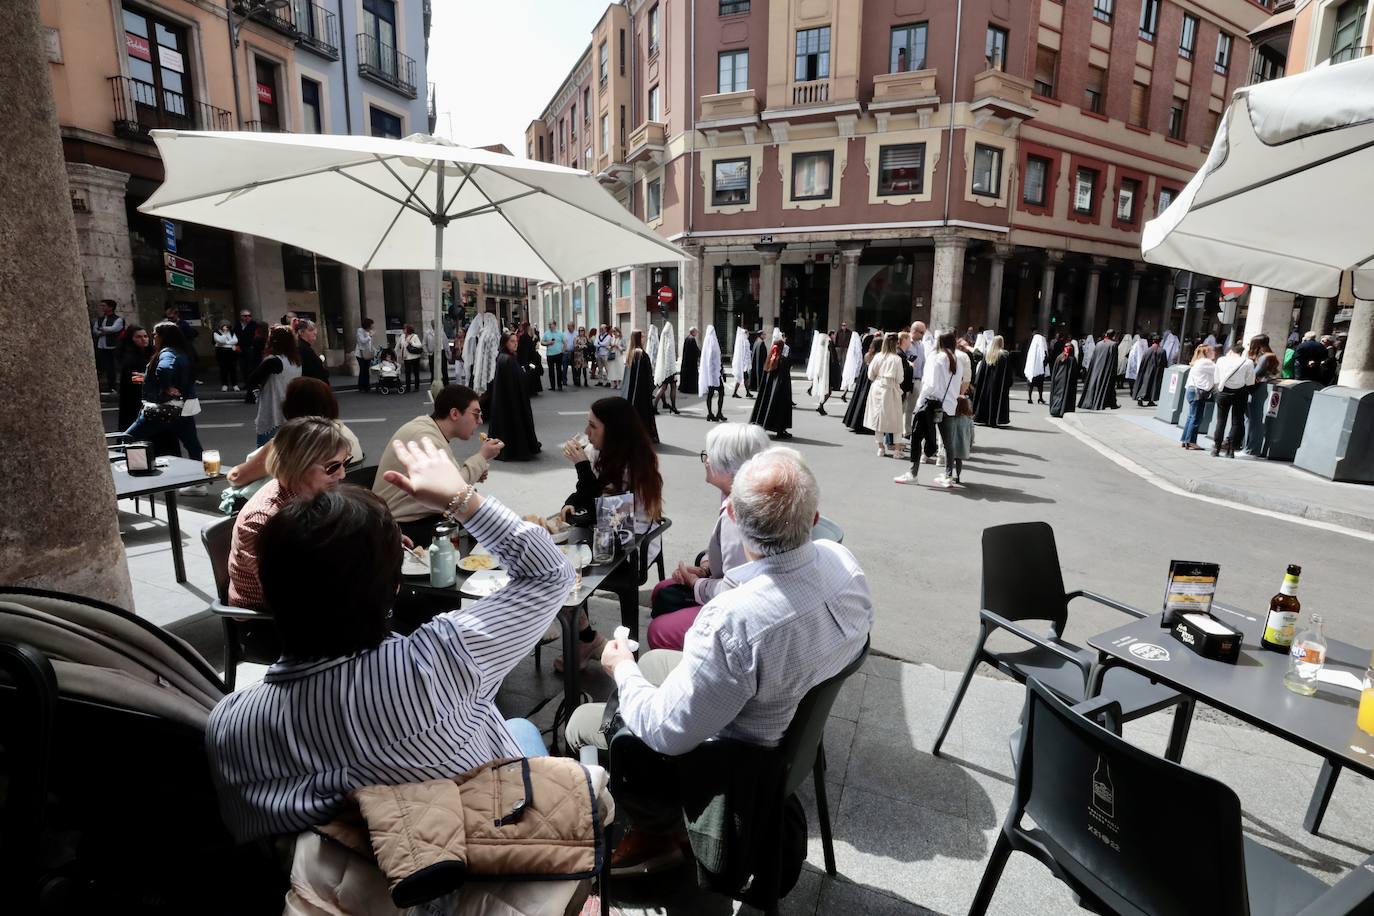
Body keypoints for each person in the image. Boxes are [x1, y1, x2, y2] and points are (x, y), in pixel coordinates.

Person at [208, 441, 571, 842]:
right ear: (395, 586)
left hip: (344, 894)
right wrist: (461, 498)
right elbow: (551, 575)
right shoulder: (440, 663)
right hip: (490, 858)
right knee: (520, 727)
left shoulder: (228, 726)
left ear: (270, 591)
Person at [564, 446, 872, 875]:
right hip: (789, 729)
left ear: (737, 525)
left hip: (736, 758)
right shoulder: (845, 565)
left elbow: (664, 732)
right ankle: (662, 825)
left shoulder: (735, 620)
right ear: (815, 519)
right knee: (656, 665)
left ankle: (654, 831)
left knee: (580, 723)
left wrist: (618, 668)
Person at [647, 423, 770, 652]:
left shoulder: (737, 513)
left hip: (739, 612)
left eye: (708, 455)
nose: (705, 461)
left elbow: (735, 591)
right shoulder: (736, 494)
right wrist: (704, 567)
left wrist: (697, 583)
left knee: (659, 630)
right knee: (662, 591)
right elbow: (729, 555)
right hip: (733, 589)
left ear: (729, 463)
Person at [560, 397, 664, 653]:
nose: (586, 432)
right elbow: (586, 494)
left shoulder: (634, 464)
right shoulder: (599, 452)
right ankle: (585, 636)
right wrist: (571, 502)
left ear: (614, 430)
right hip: (603, 534)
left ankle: (582, 638)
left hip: (629, 546)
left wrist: (582, 467)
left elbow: (611, 517)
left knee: (561, 568)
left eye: (593, 426)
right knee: (555, 558)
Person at [226, 417, 351, 610]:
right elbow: (287, 594)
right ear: (299, 464)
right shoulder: (264, 520)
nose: (342, 474)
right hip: (267, 619)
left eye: (344, 463)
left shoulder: (313, 492)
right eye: (332, 467)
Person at [370, 385, 504, 545]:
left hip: (412, 515)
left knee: (476, 508)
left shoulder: (429, 428)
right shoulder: (425, 437)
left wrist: (477, 469)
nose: (480, 421)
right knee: (479, 516)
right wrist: (482, 457)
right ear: (454, 413)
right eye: (476, 414)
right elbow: (454, 491)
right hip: (401, 527)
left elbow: (453, 481)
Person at [124, 321, 205, 467]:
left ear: (162, 336)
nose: (152, 337)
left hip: (163, 407)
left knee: (128, 438)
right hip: (182, 407)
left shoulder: (167, 352)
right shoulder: (181, 352)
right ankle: (201, 480)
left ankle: (130, 470)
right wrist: (149, 378)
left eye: (154, 334)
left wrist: (166, 387)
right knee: (192, 445)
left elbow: (164, 369)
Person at [894, 331, 959, 487]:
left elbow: (929, 385)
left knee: (917, 437)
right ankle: (948, 474)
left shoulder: (935, 358)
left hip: (931, 404)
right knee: (948, 442)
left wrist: (919, 404)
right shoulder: (957, 359)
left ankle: (913, 472)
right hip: (948, 405)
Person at [486, 331, 541, 461]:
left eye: (516, 341)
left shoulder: (503, 356)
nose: (515, 344)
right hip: (512, 402)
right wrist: (531, 372)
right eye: (512, 341)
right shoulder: (508, 359)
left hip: (505, 401)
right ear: (505, 342)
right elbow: (518, 381)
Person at [244, 325, 303, 446]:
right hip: (291, 408)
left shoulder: (273, 361)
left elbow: (251, 380)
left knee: (264, 452)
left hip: (274, 410)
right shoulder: (295, 360)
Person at [1212, 342, 1256, 458]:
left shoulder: (1221, 360)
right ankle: (1231, 449)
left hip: (1223, 392)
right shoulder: (1248, 362)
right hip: (1240, 393)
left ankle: (1216, 448)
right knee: (1237, 421)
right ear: (1242, 352)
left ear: (1231, 351)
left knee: (1221, 420)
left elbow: (1216, 377)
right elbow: (1250, 381)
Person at [865, 333, 906, 457]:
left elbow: (870, 375)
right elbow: (900, 378)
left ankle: (881, 448)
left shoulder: (878, 357)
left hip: (877, 386)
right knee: (896, 420)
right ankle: (897, 450)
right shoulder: (896, 359)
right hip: (891, 388)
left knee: (878, 419)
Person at [749, 330, 793, 440]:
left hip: (772, 389)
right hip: (781, 389)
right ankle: (780, 430)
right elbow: (784, 374)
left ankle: (764, 425)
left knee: (767, 404)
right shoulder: (781, 359)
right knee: (780, 408)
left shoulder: (771, 356)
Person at [623, 330, 659, 443]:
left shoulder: (630, 352)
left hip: (630, 393)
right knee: (642, 415)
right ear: (639, 338)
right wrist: (651, 387)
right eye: (642, 336)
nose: (644, 338)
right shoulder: (640, 353)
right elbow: (646, 374)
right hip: (641, 392)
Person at [1180, 344, 1217, 450]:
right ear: (1207, 353)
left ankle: (1185, 440)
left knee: (1191, 416)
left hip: (1192, 390)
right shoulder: (1207, 362)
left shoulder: (1198, 362)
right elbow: (1219, 371)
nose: (1214, 352)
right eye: (1212, 351)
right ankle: (1191, 441)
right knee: (1196, 417)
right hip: (1198, 392)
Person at [842, 335, 880, 435]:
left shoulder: (868, 355)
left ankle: (855, 422)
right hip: (870, 382)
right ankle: (865, 425)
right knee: (866, 403)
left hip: (863, 382)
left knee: (859, 401)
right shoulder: (876, 357)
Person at [973, 335, 1014, 427]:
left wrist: (977, 382)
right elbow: (1008, 372)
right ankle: (994, 420)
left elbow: (981, 371)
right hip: (998, 384)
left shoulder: (988, 354)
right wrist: (1009, 382)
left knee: (986, 399)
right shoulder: (1004, 355)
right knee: (996, 401)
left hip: (986, 384)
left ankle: (984, 418)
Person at [1080, 330, 1120, 410]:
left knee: (1095, 385)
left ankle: (1110, 403)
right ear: (1113, 336)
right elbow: (1114, 361)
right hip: (1106, 369)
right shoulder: (1113, 345)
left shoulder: (1098, 343)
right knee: (1107, 386)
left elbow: (1093, 358)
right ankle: (1109, 404)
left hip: (1096, 368)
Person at [92, 299, 125, 393]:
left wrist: (102, 329)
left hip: (113, 346)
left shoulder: (118, 319)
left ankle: (117, 385)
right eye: (101, 306)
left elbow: (114, 329)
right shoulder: (100, 319)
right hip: (102, 346)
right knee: (107, 366)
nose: (102, 308)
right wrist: (102, 331)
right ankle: (110, 386)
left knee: (115, 366)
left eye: (104, 306)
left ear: (110, 307)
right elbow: (95, 331)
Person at [1131, 336, 1169, 407]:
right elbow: (1164, 363)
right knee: (1153, 386)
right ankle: (1150, 400)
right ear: (1159, 341)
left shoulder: (1147, 350)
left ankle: (1140, 398)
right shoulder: (1162, 351)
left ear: (1153, 341)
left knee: (1145, 384)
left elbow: (1143, 362)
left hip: (1146, 371)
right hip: (1157, 372)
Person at [652, 321, 680, 415]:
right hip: (669, 369)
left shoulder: (663, 340)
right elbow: (670, 358)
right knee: (672, 387)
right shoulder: (669, 342)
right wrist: (672, 371)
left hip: (663, 368)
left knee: (663, 387)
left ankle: (655, 407)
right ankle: (673, 407)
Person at [698, 325, 725, 422]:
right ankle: (718, 413)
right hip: (714, 374)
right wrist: (717, 372)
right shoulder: (713, 341)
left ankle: (710, 414)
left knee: (710, 394)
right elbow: (712, 359)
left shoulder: (707, 341)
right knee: (721, 392)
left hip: (712, 374)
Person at [805, 330, 834, 416]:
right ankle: (821, 406)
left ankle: (821, 406)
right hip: (826, 376)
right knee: (828, 392)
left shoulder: (820, 353)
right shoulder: (825, 354)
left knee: (826, 392)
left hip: (823, 375)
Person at [1048, 343, 1079, 418]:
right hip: (1068, 383)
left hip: (1058, 380)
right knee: (1066, 396)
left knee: (1057, 395)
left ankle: (1055, 409)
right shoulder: (1072, 359)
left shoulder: (1059, 357)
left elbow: (1054, 370)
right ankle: (1064, 410)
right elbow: (1075, 373)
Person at [233, 310, 259, 395]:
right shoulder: (237, 325)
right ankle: (246, 383)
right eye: (245, 316)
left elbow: (255, 336)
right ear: (241, 317)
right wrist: (236, 345)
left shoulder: (254, 325)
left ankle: (252, 383)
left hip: (250, 348)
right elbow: (234, 335)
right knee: (242, 366)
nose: (247, 317)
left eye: (249, 316)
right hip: (240, 348)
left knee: (250, 366)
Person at [211, 320, 238, 392]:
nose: (226, 327)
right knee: (223, 369)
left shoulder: (232, 332)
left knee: (233, 369)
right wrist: (225, 334)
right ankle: (224, 385)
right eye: (224, 326)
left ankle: (235, 385)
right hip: (221, 352)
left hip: (231, 352)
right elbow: (220, 341)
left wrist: (227, 342)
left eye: (227, 326)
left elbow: (235, 340)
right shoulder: (216, 332)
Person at [1023, 332, 1049, 404]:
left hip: (1031, 369)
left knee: (1030, 385)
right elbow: (1046, 358)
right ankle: (1040, 398)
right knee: (1040, 385)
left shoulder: (1031, 348)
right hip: (1040, 371)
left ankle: (1030, 398)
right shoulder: (1042, 348)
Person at [354, 318, 376, 393]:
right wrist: (369, 336)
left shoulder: (369, 331)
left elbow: (369, 343)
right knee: (362, 369)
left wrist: (373, 349)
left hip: (367, 353)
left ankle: (367, 386)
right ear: (367, 325)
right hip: (360, 353)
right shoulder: (360, 330)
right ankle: (361, 386)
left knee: (367, 370)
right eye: (371, 325)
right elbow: (362, 341)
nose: (372, 326)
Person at [400, 324, 424, 393]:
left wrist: (411, 342)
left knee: (416, 372)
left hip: (414, 357)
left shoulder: (414, 336)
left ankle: (416, 387)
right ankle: (408, 388)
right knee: (407, 373)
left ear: (408, 330)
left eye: (405, 329)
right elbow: (400, 345)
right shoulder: (402, 336)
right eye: (403, 328)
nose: (403, 330)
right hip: (406, 358)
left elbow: (419, 345)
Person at [730, 326, 752, 398]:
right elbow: (745, 354)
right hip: (743, 365)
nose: (748, 334)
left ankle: (747, 392)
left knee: (744, 379)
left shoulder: (741, 342)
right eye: (747, 333)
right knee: (741, 379)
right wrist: (746, 365)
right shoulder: (745, 342)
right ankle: (735, 393)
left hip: (742, 364)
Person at [541, 323, 565, 391]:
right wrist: (548, 343)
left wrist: (563, 350)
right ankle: (553, 386)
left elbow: (564, 342)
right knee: (551, 371)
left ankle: (559, 386)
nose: (549, 326)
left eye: (551, 325)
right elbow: (542, 342)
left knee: (559, 370)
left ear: (555, 325)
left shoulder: (560, 333)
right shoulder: (546, 333)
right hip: (550, 355)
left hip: (558, 354)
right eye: (549, 325)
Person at [678, 327, 701, 396]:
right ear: (693, 332)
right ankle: (691, 389)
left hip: (686, 361)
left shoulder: (687, 338)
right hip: (691, 363)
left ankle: (684, 388)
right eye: (696, 332)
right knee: (692, 376)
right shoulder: (692, 339)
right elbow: (695, 350)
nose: (697, 333)